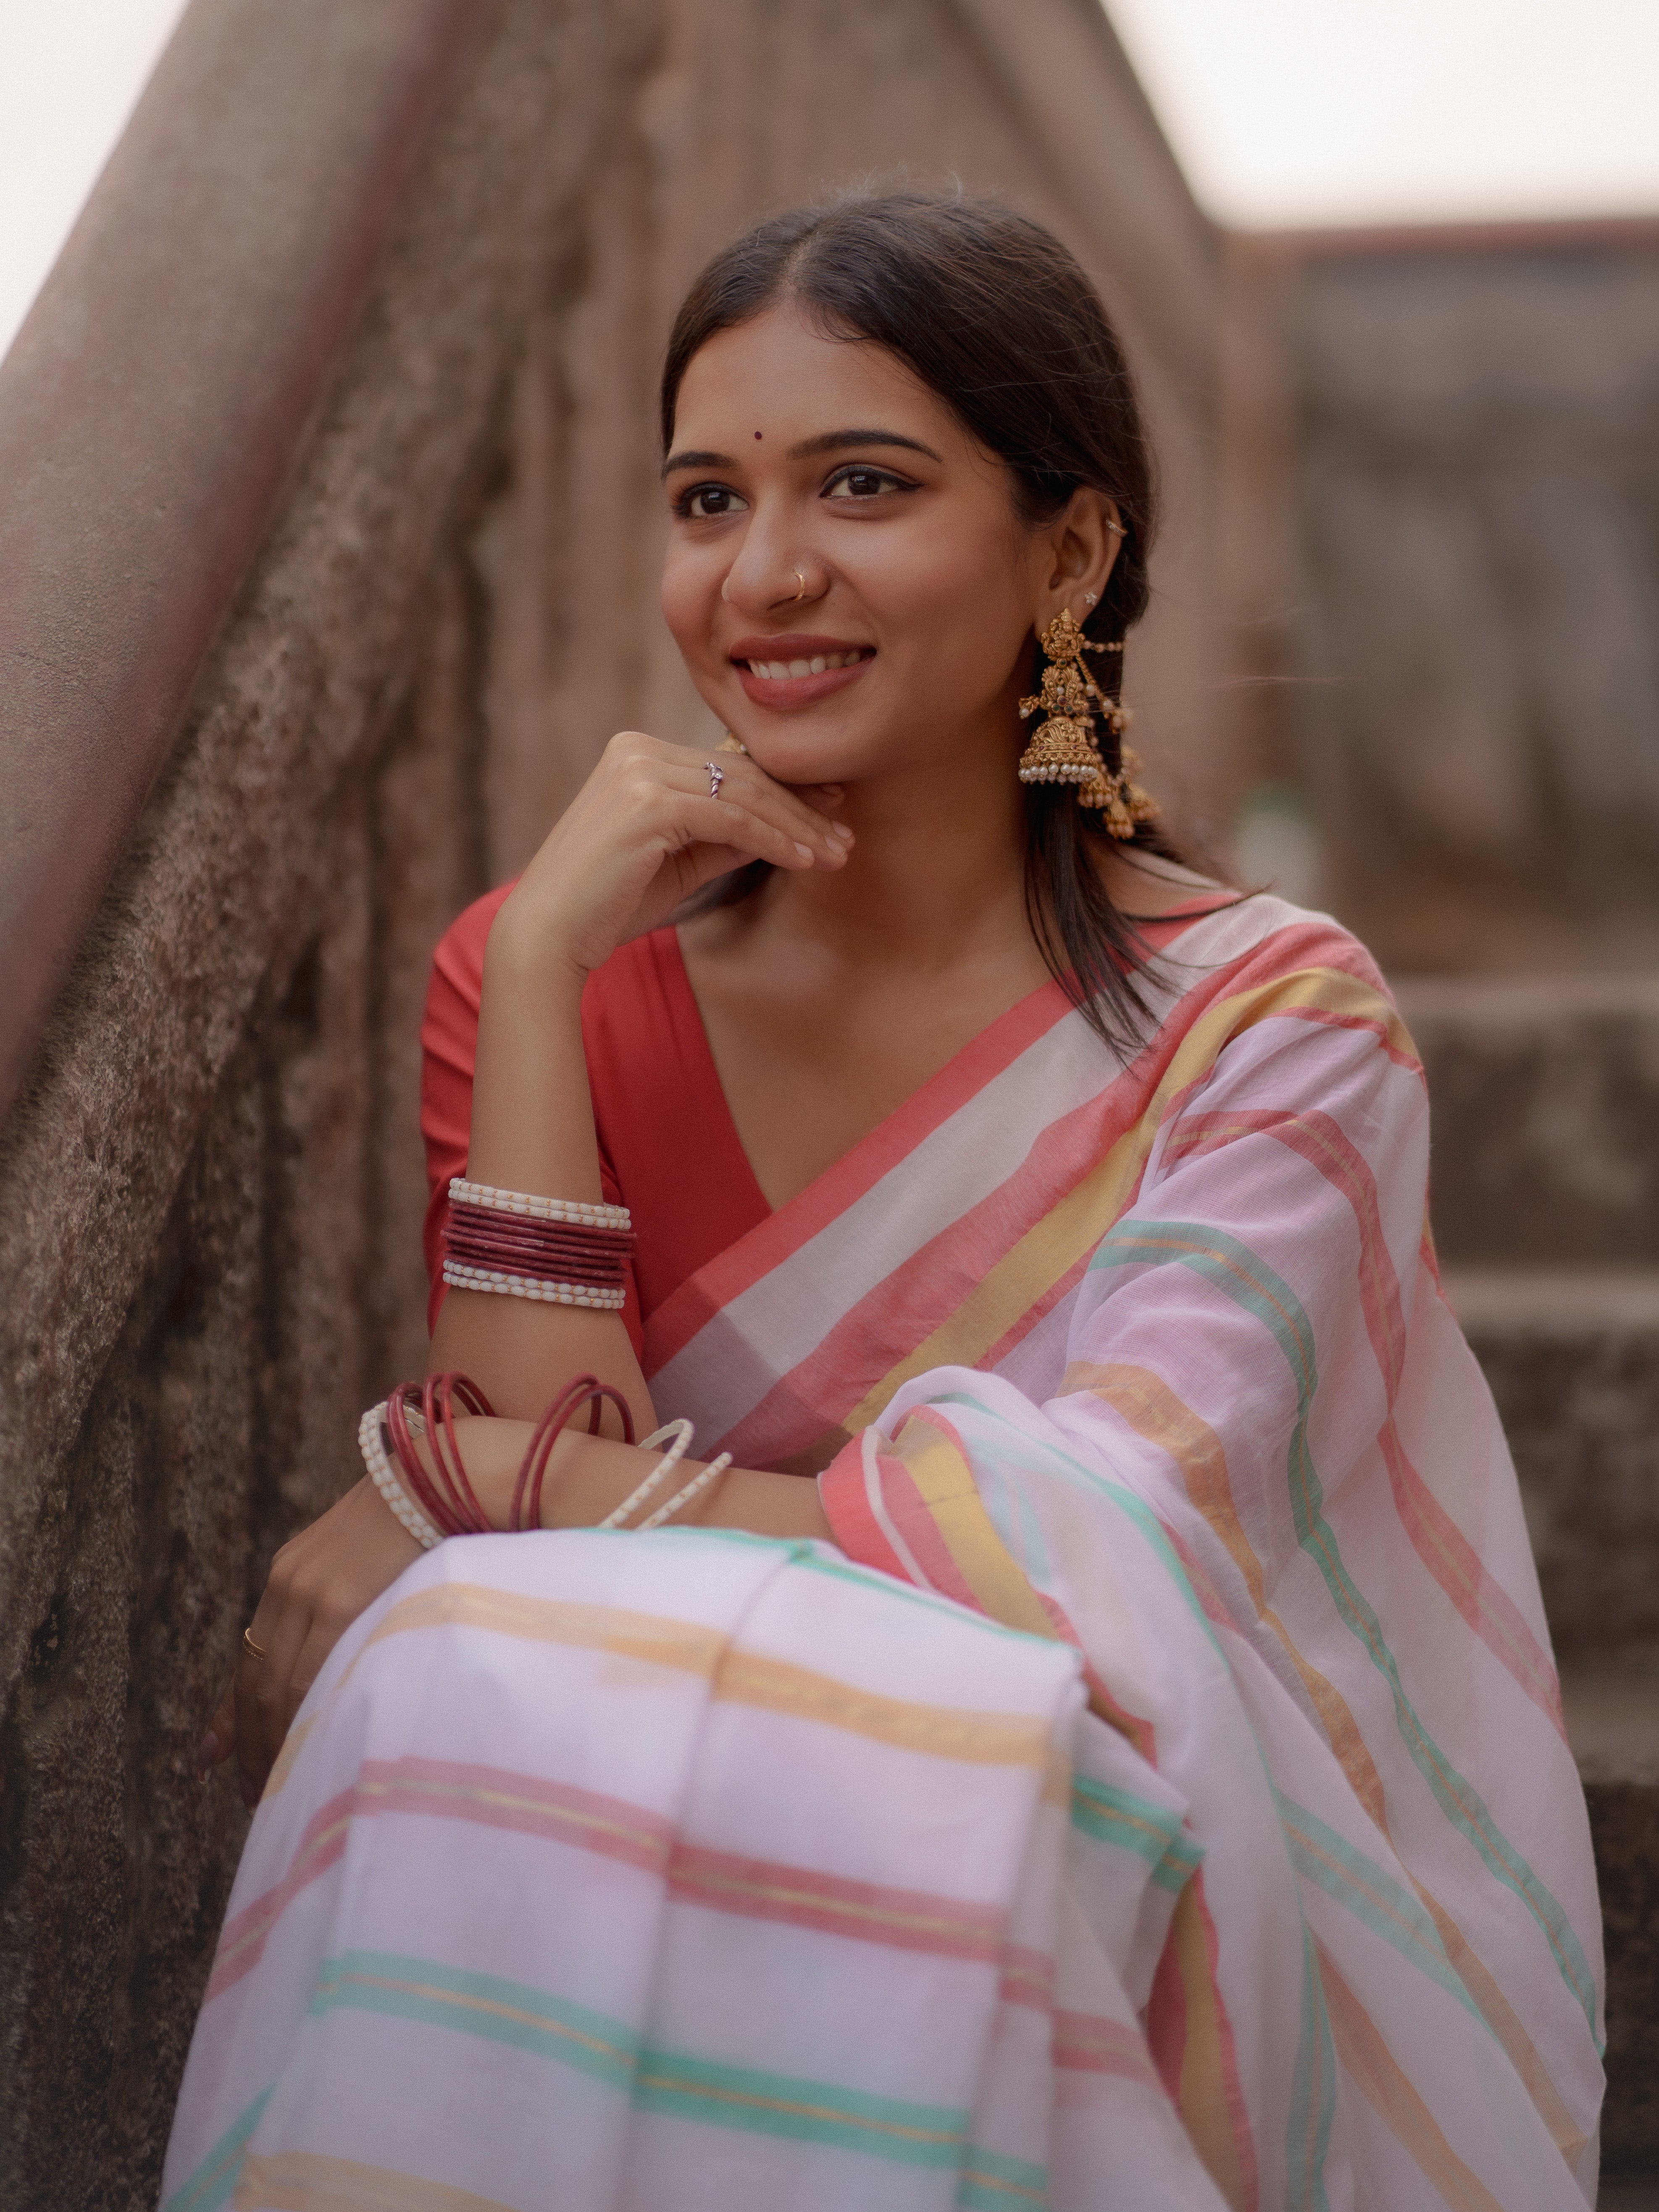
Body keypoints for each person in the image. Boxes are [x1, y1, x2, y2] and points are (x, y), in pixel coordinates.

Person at [168, 194, 1602, 2211]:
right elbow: (529, 1551)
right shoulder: (549, 971)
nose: (764, 575)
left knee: (662, 1699)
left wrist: (498, 1484)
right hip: (638, 1752)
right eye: (704, 498)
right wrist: (551, 970)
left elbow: (1099, 1558)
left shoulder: (1269, 1020)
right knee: (468, 1664)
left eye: (863, 484)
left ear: (1073, 549)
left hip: (1089, 1796)